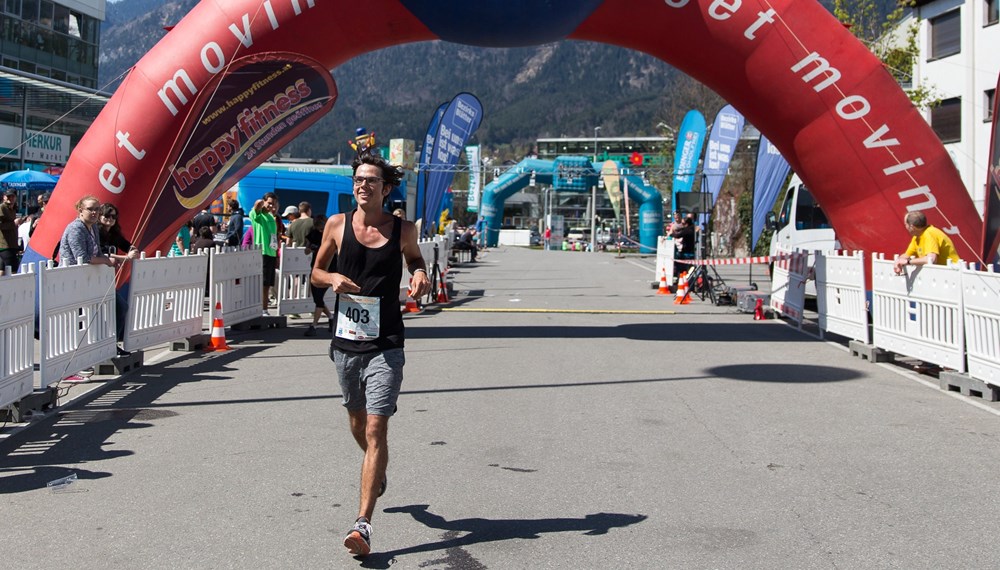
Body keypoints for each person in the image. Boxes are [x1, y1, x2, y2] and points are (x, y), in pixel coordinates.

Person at [310, 150, 430, 558]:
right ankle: (376, 469)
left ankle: (362, 523)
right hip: (345, 341)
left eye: (371, 181)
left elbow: (415, 261)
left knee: (377, 430)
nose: (362, 186)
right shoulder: (337, 224)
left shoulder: (403, 229)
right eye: (358, 180)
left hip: (387, 343)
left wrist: (419, 275)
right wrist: (333, 279)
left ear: (386, 188)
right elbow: (315, 272)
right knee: (357, 422)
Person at [97, 202, 139, 350]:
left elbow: (127, 245)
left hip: (107, 279)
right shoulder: (96, 232)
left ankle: (111, 343)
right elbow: (100, 252)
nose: (110, 219)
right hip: (95, 278)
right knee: (119, 307)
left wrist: (132, 250)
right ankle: (108, 344)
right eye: (107, 215)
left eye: (113, 216)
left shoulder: (114, 234)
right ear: (100, 216)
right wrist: (125, 258)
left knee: (120, 308)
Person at [893, 211, 960, 275]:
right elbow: (906, 255)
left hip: (954, 271)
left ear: (912, 227)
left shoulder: (929, 234)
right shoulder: (917, 237)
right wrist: (898, 261)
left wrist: (908, 262)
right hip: (943, 273)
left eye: (906, 224)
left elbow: (931, 259)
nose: (905, 227)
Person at [250, 192, 279, 315]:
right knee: (263, 283)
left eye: (273, 204)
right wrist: (259, 204)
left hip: (271, 253)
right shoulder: (258, 215)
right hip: (262, 252)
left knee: (268, 284)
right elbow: (256, 207)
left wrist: (276, 254)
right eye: (269, 203)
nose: (271, 206)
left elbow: (274, 237)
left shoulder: (271, 217)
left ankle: (264, 308)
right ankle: (262, 309)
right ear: (264, 202)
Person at [303, 214, 332, 337]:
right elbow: (306, 250)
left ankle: (314, 325)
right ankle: (331, 318)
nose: (321, 231)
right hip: (316, 267)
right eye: (319, 229)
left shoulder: (331, 233)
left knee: (319, 298)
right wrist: (311, 248)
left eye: (322, 229)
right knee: (316, 298)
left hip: (330, 268)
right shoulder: (313, 234)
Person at [1, 189, 26, 274]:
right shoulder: (2, 207)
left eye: (12, 196)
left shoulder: (13, 209)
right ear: (4, 197)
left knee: (2, 270)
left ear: (15, 197)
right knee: (13, 270)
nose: (10, 198)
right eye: (8, 196)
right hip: (5, 245)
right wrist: (13, 223)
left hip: (11, 244)